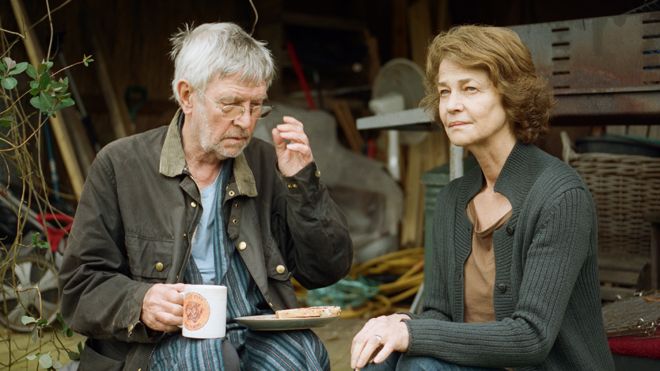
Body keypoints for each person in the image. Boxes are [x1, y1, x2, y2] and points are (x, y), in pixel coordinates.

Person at [59, 22, 353, 371]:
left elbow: (326, 270)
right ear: (187, 96)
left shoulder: (266, 162)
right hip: (160, 344)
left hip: (252, 329)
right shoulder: (121, 165)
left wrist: (302, 183)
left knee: (300, 353)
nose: (245, 121)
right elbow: (79, 287)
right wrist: (141, 302)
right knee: (206, 360)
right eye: (230, 104)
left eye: (256, 105)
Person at [350, 25, 614, 370]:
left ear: (511, 95)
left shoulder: (560, 196)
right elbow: (439, 313)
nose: (452, 106)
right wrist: (398, 324)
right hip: (475, 365)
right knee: (379, 356)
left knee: (421, 365)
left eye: (470, 89)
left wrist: (412, 334)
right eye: (444, 92)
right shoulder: (451, 199)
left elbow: (531, 337)